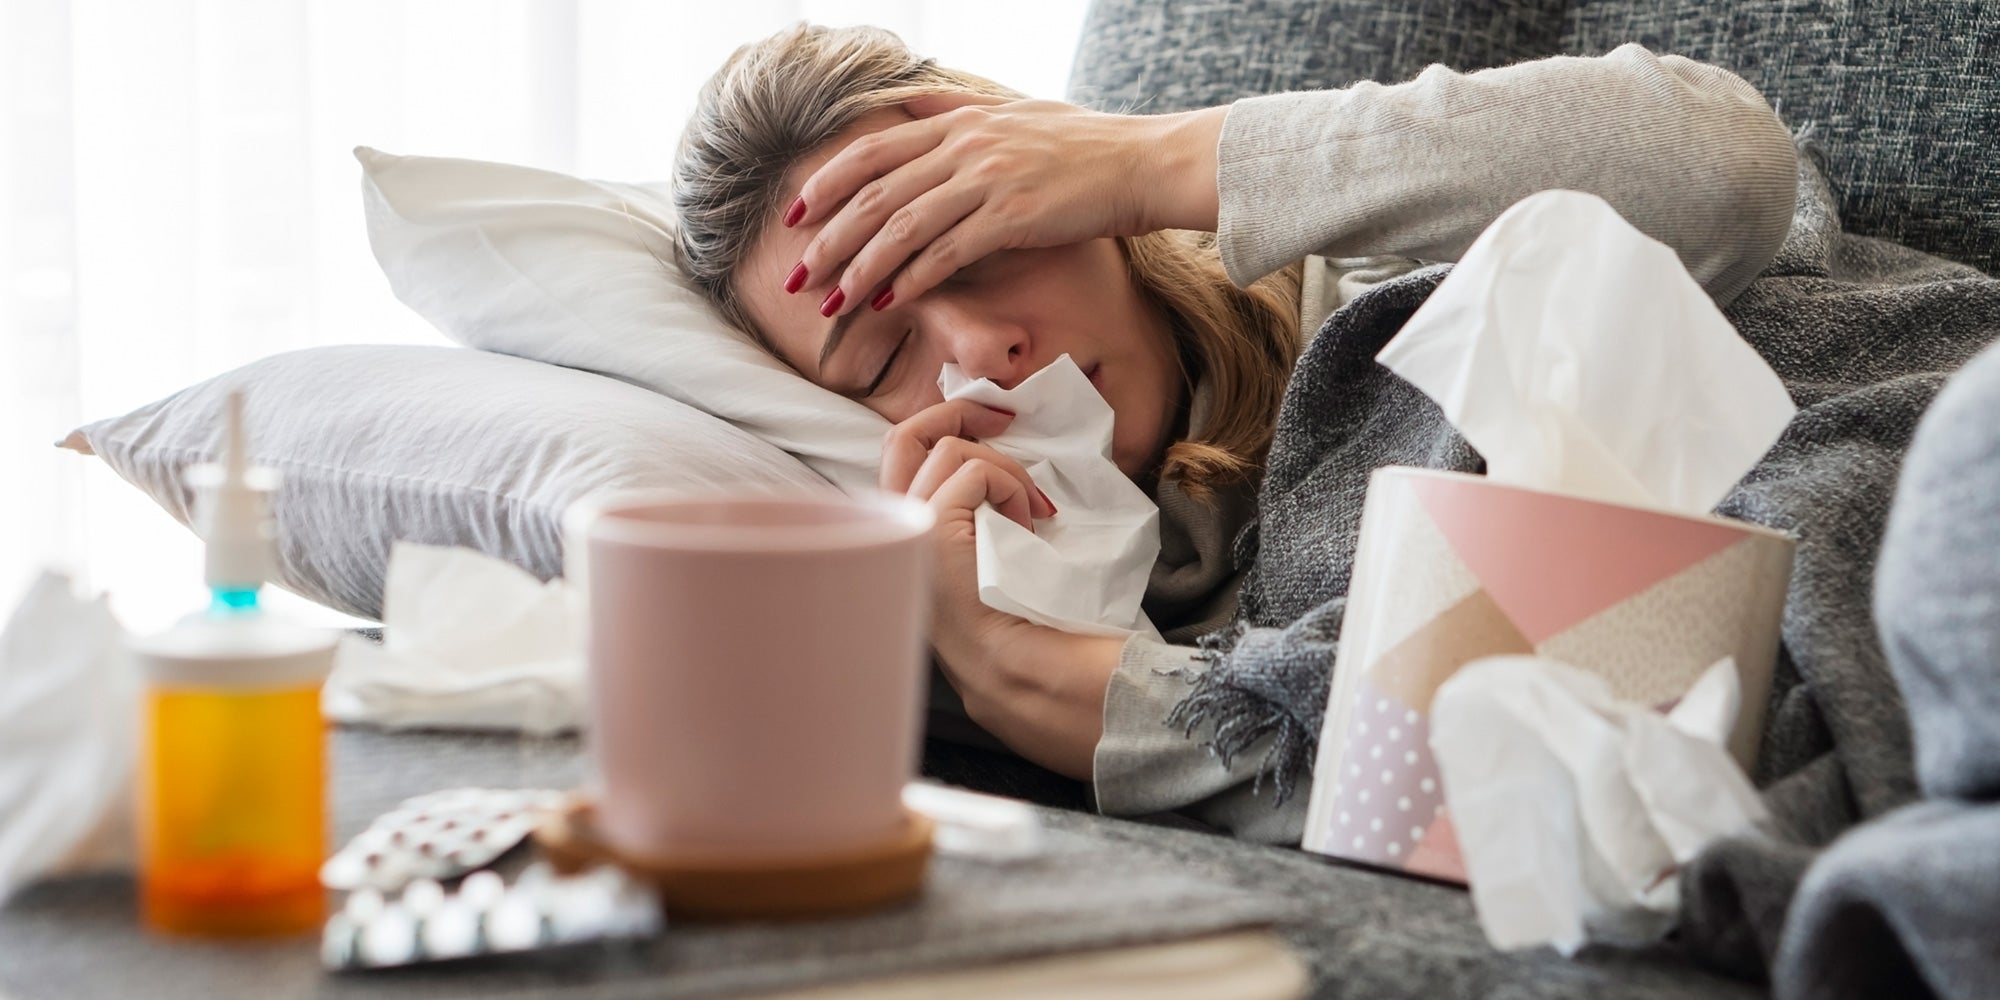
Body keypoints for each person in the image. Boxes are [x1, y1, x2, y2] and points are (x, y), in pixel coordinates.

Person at [671, 23, 1797, 844]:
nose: (982, 348)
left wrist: (1144, 162)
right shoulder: (1015, 612)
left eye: (977, 243)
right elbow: (1564, 809)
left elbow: (1725, 168)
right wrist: (1029, 672)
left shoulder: (1377, 266)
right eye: (879, 361)